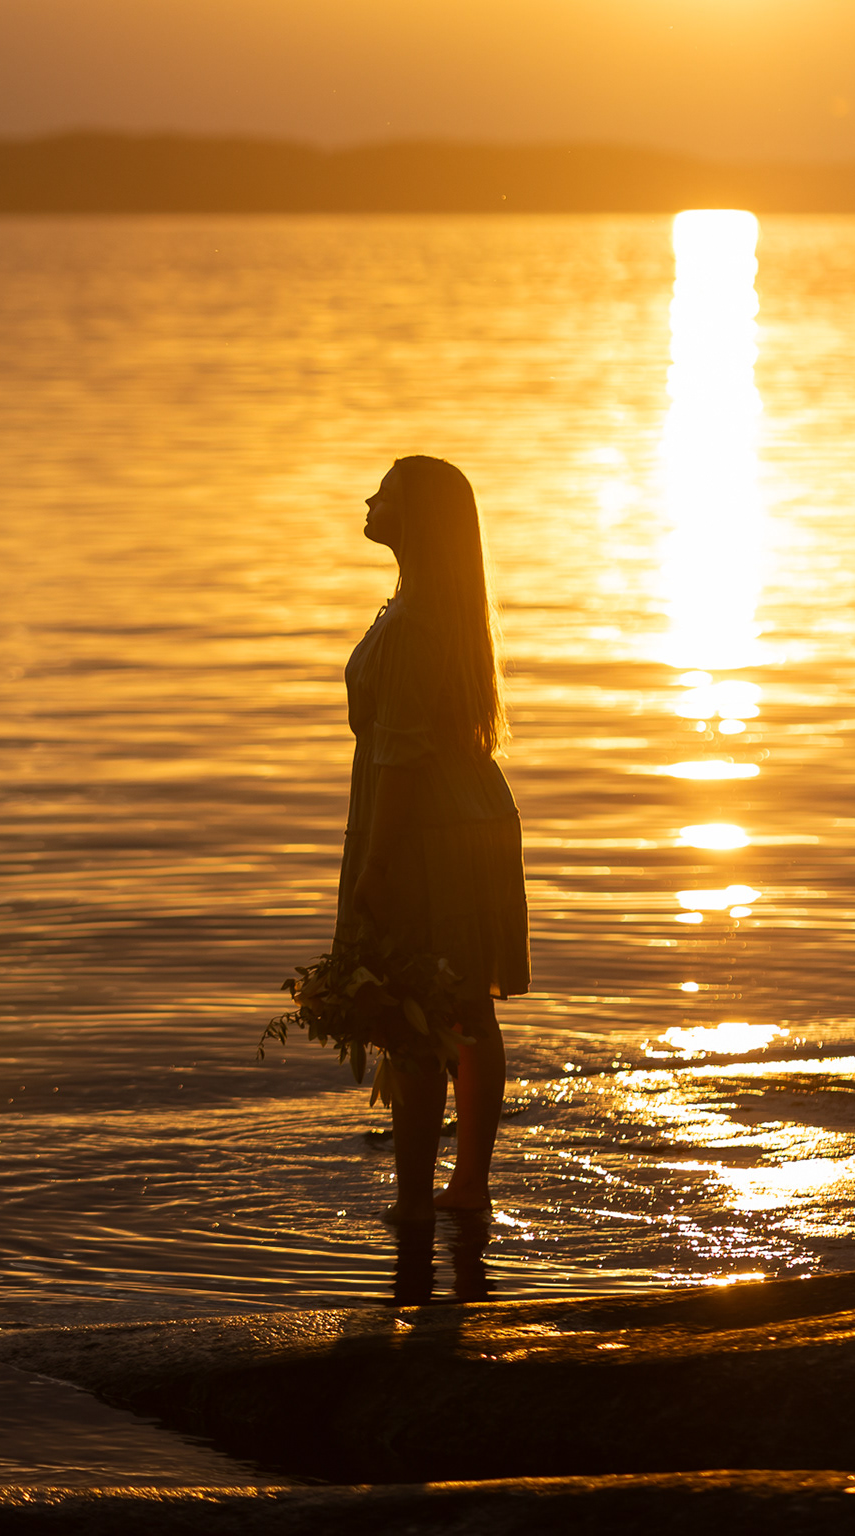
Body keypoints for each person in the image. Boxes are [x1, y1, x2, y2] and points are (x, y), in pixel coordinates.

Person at [338, 455, 530, 1224]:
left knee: (415, 1011)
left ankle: (420, 1200)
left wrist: (376, 868)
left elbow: (402, 757)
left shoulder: (418, 626)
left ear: (413, 516)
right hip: (467, 818)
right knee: (461, 1012)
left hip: (431, 830)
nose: (368, 497)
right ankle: (465, 1189)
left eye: (384, 489)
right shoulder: (423, 611)